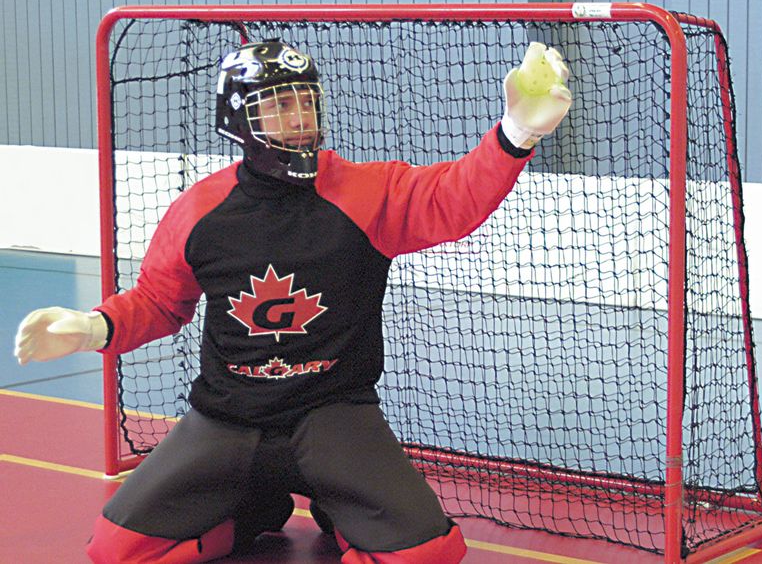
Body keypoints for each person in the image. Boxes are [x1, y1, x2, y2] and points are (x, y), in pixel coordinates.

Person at [14, 39, 571, 563]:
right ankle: (253, 508)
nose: (300, 117)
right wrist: (91, 328)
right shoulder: (198, 211)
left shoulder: (366, 192)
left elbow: (452, 198)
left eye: (306, 100)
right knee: (116, 550)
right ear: (239, 118)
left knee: (427, 553)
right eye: (280, 104)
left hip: (333, 417)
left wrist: (515, 132)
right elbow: (159, 302)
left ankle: (340, 506)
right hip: (225, 421)